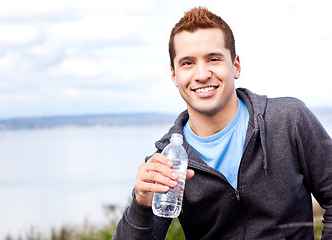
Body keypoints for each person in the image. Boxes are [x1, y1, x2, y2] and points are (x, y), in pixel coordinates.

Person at [112, 6, 332, 239]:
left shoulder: (288, 120)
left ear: (235, 65)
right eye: (187, 63)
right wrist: (141, 204)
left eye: (213, 59)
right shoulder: (168, 160)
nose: (202, 74)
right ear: (174, 75)